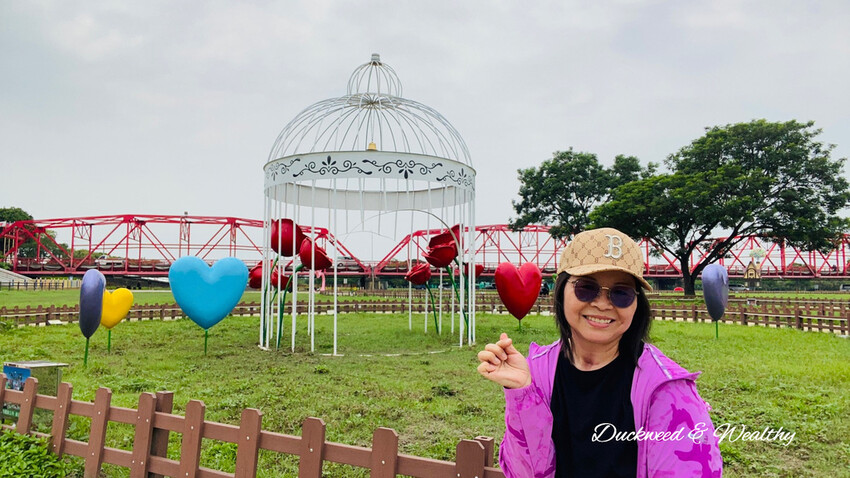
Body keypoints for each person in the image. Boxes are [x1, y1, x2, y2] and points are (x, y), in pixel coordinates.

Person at [477, 227, 722, 477]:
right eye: (586, 287)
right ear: (562, 291)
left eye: (621, 293)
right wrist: (522, 393)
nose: (602, 304)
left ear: (637, 304)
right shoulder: (537, 372)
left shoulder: (669, 390)